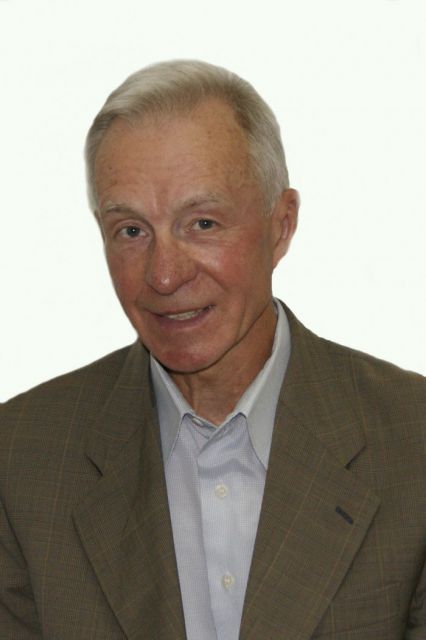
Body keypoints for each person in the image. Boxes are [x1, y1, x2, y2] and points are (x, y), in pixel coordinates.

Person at [0, 60, 424, 640]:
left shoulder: (412, 440)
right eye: (131, 231)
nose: (164, 275)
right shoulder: (20, 460)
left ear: (281, 225)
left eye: (201, 223)